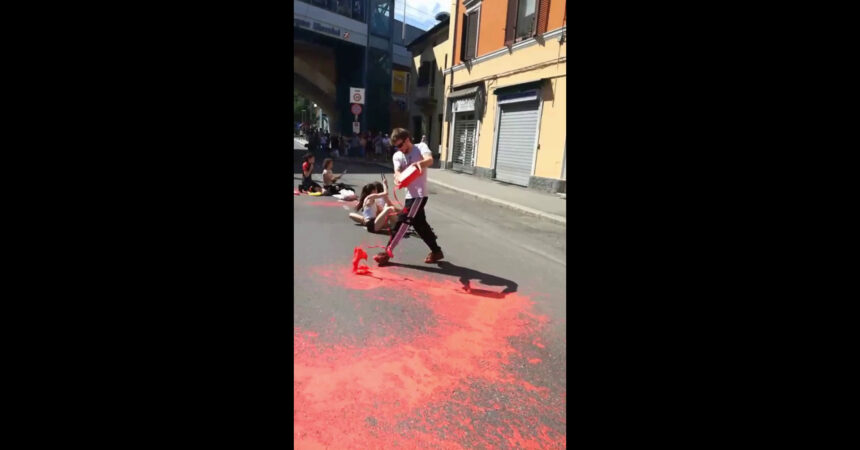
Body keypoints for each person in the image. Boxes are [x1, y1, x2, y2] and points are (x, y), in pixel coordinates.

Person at [374, 128, 443, 265]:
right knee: (420, 225)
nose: (399, 149)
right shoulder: (397, 156)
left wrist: (419, 164)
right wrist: (398, 178)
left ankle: (387, 252)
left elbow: (429, 160)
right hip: (409, 195)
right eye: (396, 146)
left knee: (403, 220)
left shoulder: (420, 148)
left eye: (401, 145)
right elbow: (397, 171)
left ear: (407, 140)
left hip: (419, 195)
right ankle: (436, 251)